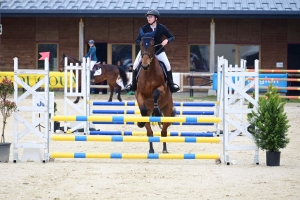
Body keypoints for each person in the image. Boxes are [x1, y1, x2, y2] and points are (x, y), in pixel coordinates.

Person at [126, 9, 180, 93]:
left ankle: (171, 85)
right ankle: (133, 85)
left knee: (167, 65)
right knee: (135, 65)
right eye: (148, 17)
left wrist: (167, 41)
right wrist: (142, 43)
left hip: (158, 51)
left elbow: (172, 37)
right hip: (146, 51)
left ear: (156, 18)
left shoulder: (161, 28)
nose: (148, 18)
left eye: (150, 17)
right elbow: (136, 40)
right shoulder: (144, 28)